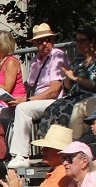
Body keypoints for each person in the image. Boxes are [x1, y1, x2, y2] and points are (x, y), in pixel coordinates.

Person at [8, 23, 70, 169]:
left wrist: (26, 100)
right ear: (35, 43)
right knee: (7, 111)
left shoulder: (57, 56)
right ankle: (9, 155)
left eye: (47, 39)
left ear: (52, 40)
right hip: (38, 100)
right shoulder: (34, 61)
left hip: (55, 101)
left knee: (23, 109)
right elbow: (30, 86)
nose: (44, 44)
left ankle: (21, 155)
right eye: (40, 41)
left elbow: (54, 90)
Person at [38, 26, 96, 137]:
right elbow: (68, 87)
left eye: (82, 40)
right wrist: (67, 77)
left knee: (63, 110)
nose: (79, 44)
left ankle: (65, 143)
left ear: (92, 41)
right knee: (51, 108)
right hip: (73, 95)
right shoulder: (78, 60)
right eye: (77, 41)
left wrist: (75, 78)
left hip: (89, 95)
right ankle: (49, 144)